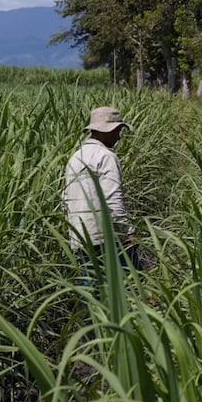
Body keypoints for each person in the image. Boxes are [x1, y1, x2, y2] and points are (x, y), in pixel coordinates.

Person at [63, 106, 141, 285]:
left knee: (93, 290)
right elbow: (113, 199)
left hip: (80, 236)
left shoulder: (76, 157)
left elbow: (66, 196)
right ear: (108, 131)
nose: (119, 136)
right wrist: (128, 232)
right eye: (118, 131)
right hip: (104, 237)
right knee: (130, 286)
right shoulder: (106, 157)